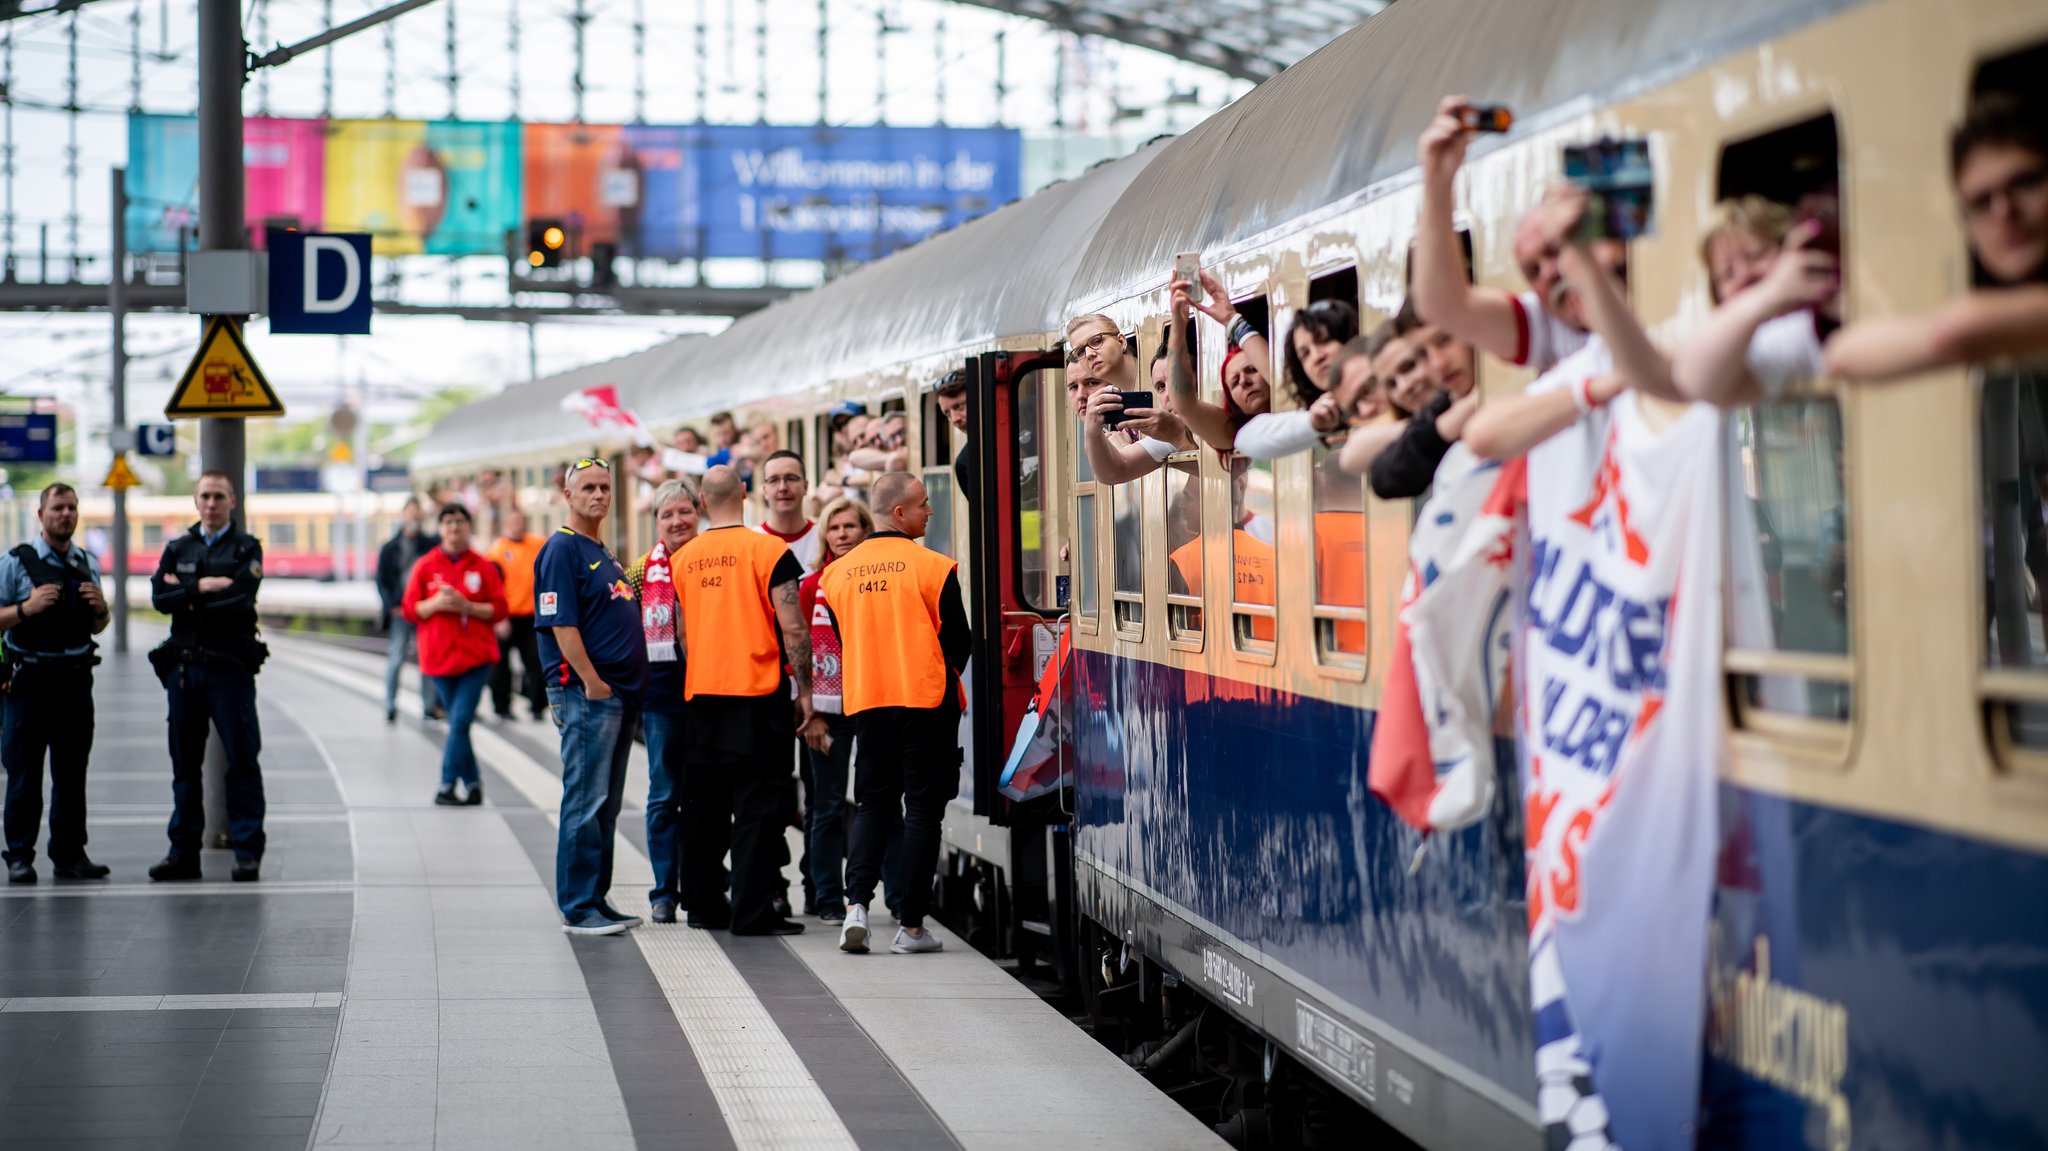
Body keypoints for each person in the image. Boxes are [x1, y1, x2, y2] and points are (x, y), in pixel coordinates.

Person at [823, 471, 971, 955]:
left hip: (868, 703)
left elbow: (846, 639)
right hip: (926, 703)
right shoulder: (933, 567)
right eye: (924, 504)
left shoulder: (837, 573)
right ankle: (910, 927)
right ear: (900, 512)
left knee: (872, 806)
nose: (930, 511)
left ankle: (856, 908)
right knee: (923, 812)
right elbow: (960, 643)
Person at [674, 465, 811, 936]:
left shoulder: (685, 558)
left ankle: (704, 904)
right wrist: (806, 692)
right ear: (747, 494)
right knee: (757, 807)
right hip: (757, 696)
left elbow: (684, 634)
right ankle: (752, 912)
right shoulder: (770, 550)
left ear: (702, 504)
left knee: (703, 808)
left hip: (704, 697)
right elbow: (793, 627)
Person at [1413, 95, 1622, 377]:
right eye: (1533, 271)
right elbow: (1443, 306)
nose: (1549, 272)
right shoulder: (1549, 324)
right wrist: (1437, 180)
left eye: (1555, 250)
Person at [534, 458, 647, 936]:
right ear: (568, 495)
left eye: (604, 487)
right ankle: (578, 907)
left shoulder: (600, 549)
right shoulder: (562, 549)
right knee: (585, 799)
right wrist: (591, 680)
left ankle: (596, 899)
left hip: (615, 696)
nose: (599, 495)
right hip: (587, 695)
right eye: (588, 488)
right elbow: (561, 622)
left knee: (606, 803)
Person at [148, 471, 268, 883]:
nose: (212, 503)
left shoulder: (246, 548)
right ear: (195, 501)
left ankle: (247, 851)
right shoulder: (178, 546)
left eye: (219, 496)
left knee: (241, 758)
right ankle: (183, 853)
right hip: (184, 672)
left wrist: (184, 594)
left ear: (232, 501)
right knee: (184, 765)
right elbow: (158, 600)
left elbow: (239, 602)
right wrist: (202, 587)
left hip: (229, 671)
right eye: (205, 496)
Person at [798, 497, 904, 925]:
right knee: (825, 806)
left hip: (876, 702)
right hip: (828, 709)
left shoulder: (880, 579)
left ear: (865, 531)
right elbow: (801, 650)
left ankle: (898, 897)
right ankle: (826, 897)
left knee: (882, 803)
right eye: (835, 528)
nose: (842, 534)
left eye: (850, 527)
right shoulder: (809, 587)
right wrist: (812, 710)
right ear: (826, 535)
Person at [0, 483, 110, 884]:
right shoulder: (14, 562)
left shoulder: (86, 562)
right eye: (58, 507)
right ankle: (18, 856)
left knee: (71, 772)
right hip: (28, 679)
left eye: (72, 508)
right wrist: (26, 609)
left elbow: (99, 623)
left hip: (75, 680)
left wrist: (102, 611)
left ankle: (70, 855)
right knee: (24, 772)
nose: (66, 514)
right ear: (41, 513)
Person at [623, 478, 701, 925]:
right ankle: (663, 891)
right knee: (663, 794)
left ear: (699, 512)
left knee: (705, 794)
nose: (676, 521)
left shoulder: (714, 561)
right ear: (656, 522)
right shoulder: (637, 572)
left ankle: (702, 880)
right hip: (660, 697)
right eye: (667, 515)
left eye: (684, 512)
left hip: (710, 691)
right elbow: (627, 633)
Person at [402, 503, 507, 807]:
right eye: (447, 522)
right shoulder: (425, 565)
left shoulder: (483, 565)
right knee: (458, 724)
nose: (453, 527)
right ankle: (473, 784)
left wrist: (467, 607)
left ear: (468, 526)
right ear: (439, 528)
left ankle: (446, 784)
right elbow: (410, 610)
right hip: (438, 659)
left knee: (459, 721)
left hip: (476, 658)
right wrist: (434, 604)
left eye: (460, 521)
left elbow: (499, 609)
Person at [1066, 314, 1196, 483]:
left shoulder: (1163, 391)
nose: (1089, 354)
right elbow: (1113, 471)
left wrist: (1126, 448)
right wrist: (1092, 429)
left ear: (1121, 341)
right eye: (1080, 352)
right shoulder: (1122, 411)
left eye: (1097, 341)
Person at [1369, 320, 1483, 499]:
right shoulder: (1437, 413)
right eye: (1391, 384)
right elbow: (1384, 477)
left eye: (1409, 366)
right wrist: (1447, 425)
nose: (1404, 387)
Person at [377, 497, 440, 724]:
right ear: (403, 515)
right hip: (400, 612)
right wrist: (391, 606)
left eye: (417, 512)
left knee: (427, 658)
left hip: (424, 610)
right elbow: (382, 581)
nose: (413, 516)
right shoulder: (390, 548)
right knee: (396, 658)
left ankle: (429, 705)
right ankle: (390, 704)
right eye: (410, 512)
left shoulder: (431, 544)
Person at [486, 508, 548, 721]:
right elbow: (492, 586)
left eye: (520, 521)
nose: (517, 526)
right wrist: (499, 617)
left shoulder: (538, 544)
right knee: (501, 664)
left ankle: (537, 707)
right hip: (506, 616)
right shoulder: (497, 551)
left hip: (532, 615)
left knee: (536, 662)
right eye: (512, 522)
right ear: (505, 525)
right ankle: (502, 707)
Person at [756, 450, 823, 573]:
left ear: (805, 486)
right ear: (765, 491)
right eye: (774, 480)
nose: (783, 488)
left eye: (791, 478)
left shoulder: (824, 538)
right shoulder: (751, 542)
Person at [936, 371, 975, 502]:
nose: (954, 419)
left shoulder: (1031, 413)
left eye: (959, 406)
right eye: (947, 414)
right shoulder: (965, 462)